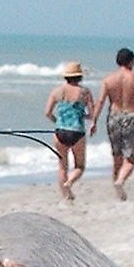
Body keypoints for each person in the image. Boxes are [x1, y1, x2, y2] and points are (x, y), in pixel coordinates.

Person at [92, 47, 134, 200]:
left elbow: (100, 102)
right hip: (131, 117)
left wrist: (94, 121)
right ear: (131, 61)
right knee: (130, 158)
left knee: (117, 157)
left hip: (113, 117)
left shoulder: (108, 79)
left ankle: (118, 193)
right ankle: (120, 181)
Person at [43, 61, 95, 201]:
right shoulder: (85, 92)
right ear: (79, 77)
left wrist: (57, 121)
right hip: (77, 132)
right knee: (79, 166)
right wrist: (83, 116)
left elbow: (47, 112)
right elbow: (92, 114)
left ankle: (66, 195)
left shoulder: (57, 91)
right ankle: (69, 183)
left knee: (62, 166)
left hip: (60, 132)